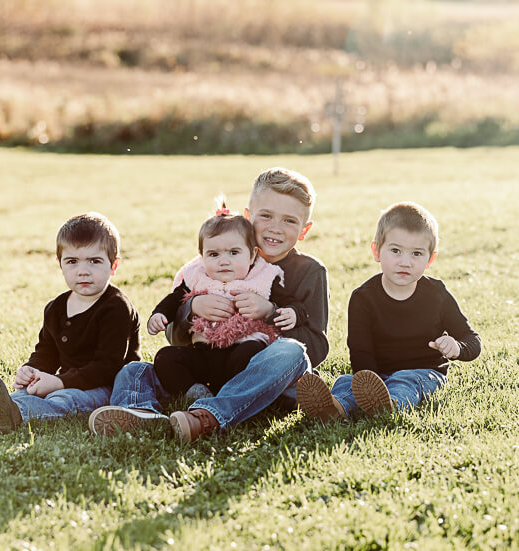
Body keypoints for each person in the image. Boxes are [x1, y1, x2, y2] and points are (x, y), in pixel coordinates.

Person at [89, 167, 329, 442]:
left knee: (292, 353)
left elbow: (317, 347)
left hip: (265, 379)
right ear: (248, 217)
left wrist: (269, 313)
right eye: (266, 216)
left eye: (289, 221)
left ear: (304, 230)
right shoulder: (210, 264)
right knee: (134, 369)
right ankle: (140, 413)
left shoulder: (310, 271)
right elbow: (175, 339)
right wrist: (193, 308)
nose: (275, 228)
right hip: (206, 373)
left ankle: (210, 415)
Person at [0, 212, 140, 433]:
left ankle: (15, 415)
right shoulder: (57, 308)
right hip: (64, 380)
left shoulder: (116, 308)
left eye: (94, 261)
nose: (83, 270)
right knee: (24, 394)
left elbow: (107, 366)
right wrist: (33, 369)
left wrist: (59, 382)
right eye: (72, 261)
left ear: (113, 265)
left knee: (63, 399)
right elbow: (47, 351)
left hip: (104, 388)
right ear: (60, 264)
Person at [297, 201, 481, 421]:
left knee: (404, 382)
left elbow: (472, 339)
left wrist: (457, 348)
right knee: (346, 382)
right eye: (395, 251)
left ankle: (389, 406)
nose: (405, 262)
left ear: (430, 259)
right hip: (376, 375)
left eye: (416, 254)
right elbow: (360, 352)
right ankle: (335, 408)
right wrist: (368, 381)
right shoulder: (363, 298)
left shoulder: (437, 294)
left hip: (423, 373)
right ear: (377, 251)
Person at [149, 198, 298, 403]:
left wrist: (290, 312)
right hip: (203, 352)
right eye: (213, 254)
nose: (224, 261)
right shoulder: (197, 279)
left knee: (252, 354)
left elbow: (288, 300)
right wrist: (159, 315)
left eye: (234, 252)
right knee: (165, 357)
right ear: (201, 256)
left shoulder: (262, 279)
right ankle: (196, 393)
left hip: (243, 350)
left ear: (252, 255)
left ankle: (234, 394)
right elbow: (173, 300)